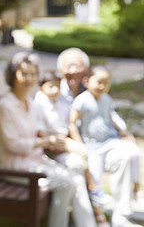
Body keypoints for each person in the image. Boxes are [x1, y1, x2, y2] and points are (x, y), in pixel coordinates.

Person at [0, 52, 96, 227]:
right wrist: (44, 142)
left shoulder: (29, 103)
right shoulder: (6, 106)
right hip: (15, 166)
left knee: (75, 178)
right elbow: (13, 146)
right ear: (12, 75)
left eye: (32, 74)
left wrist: (51, 140)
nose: (29, 79)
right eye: (24, 74)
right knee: (65, 182)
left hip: (35, 161)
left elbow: (37, 133)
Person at [69, 66, 144, 227]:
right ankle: (98, 217)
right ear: (87, 81)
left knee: (128, 154)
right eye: (99, 82)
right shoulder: (81, 100)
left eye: (106, 83)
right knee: (94, 182)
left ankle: (123, 214)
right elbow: (72, 123)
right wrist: (80, 146)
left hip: (110, 142)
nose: (102, 86)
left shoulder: (106, 99)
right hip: (92, 147)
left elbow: (112, 117)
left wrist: (123, 131)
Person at [35, 70, 110, 227]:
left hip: (62, 145)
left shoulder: (61, 101)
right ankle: (88, 214)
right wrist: (52, 142)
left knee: (77, 164)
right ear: (41, 88)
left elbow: (68, 123)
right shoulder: (39, 104)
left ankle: (86, 220)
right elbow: (39, 133)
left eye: (57, 86)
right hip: (48, 149)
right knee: (74, 170)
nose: (55, 90)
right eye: (50, 86)